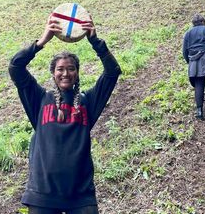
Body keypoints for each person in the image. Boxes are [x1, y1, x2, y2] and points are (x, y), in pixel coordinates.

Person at [9, 15, 121, 213]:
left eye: (71, 69)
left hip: (80, 196)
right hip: (43, 194)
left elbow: (112, 73)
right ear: (53, 74)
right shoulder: (39, 99)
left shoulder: (88, 102)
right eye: (60, 69)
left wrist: (95, 42)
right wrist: (41, 42)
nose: (65, 73)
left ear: (77, 73)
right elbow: (16, 67)